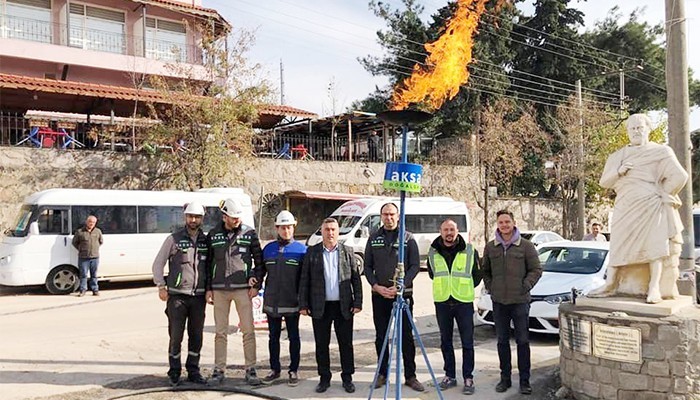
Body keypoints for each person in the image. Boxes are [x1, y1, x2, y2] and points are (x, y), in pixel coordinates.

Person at [589, 113, 688, 304]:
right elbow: (604, 182)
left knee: (655, 247)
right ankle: (611, 283)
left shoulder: (661, 152)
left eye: (639, 127)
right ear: (627, 132)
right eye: (632, 128)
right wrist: (619, 171)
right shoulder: (617, 156)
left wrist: (662, 192)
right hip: (625, 206)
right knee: (618, 244)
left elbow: (680, 176)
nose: (636, 131)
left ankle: (654, 288)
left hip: (651, 204)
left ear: (648, 129)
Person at [364, 202, 424, 392]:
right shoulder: (373, 238)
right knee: (381, 336)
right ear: (381, 216)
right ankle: (382, 374)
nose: (388, 218)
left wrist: (401, 285)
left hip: (403, 296)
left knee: (406, 336)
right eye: (385, 214)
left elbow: (415, 266)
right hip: (380, 295)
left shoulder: (408, 238)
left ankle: (410, 376)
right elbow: (366, 267)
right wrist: (376, 286)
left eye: (392, 214)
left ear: (398, 216)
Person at [482, 210, 542, 395]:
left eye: (507, 221)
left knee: (522, 341)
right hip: (499, 302)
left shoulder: (525, 246)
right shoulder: (491, 247)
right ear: (497, 225)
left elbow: (536, 269)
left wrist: (525, 286)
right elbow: (485, 271)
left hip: (520, 301)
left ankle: (524, 381)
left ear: (513, 223)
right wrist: (491, 287)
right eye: (501, 222)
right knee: (502, 342)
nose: (504, 225)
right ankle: (505, 378)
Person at [299, 218, 362, 394]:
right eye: (327, 229)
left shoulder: (347, 252)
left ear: (338, 231)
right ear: (322, 231)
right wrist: (303, 304)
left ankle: (347, 378)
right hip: (320, 306)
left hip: (343, 306)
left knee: (346, 344)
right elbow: (304, 280)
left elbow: (356, 280)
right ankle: (324, 378)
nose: (330, 233)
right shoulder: (312, 252)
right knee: (321, 344)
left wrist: (358, 302)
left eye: (333, 229)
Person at [206, 198, 263, 386]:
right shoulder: (213, 234)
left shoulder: (249, 233)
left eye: (238, 217)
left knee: (248, 330)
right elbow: (207, 264)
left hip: (242, 290)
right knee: (220, 332)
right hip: (220, 290)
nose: (237, 220)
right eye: (233, 217)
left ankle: (251, 369)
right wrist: (208, 289)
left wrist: (256, 282)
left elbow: (259, 261)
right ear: (224, 217)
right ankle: (218, 369)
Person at [152, 202, 209, 387]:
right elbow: (157, 264)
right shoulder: (173, 239)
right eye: (190, 216)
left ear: (202, 219)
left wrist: (210, 289)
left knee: (196, 335)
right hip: (177, 297)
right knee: (176, 336)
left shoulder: (206, 241)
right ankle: (174, 372)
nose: (193, 220)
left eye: (197, 217)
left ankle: (193, 370)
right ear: (185, 217)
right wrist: (161, 285)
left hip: (199, 297)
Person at [250, 210, 307, 387]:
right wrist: (254, 278)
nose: (286, 231)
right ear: (277, 228)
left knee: (294, 337)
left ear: (293, 227)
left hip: (292, 302)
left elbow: (306, 279)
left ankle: (293, 370)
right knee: (273, 337)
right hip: (272, 302)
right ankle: (274, 369)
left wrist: (304, 302)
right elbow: (260, 270)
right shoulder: (268, 249)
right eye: (283, 228)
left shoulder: (302, 250)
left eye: (289, 227)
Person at [427, 219, 481, 395]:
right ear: (440, 231)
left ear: (457, 231)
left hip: (463, 302)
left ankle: (468, 377)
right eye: (445, 230)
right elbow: (431, 273)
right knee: (445, 341)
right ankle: (449, 375)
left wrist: (461, 288)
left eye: (452, 229)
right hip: (442, 302)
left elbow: (477, 275)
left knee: (467, 342)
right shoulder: (433, 251)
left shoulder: (470, 250)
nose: (449, 233)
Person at [72, 215, 103, 296]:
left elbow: (101, 241)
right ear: (87, 222)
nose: (91, 223)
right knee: (83, 275)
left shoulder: (98, 231)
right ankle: (82, 290)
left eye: (93, 222)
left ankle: (95, 290)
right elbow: (74, 242)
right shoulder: (80, 232)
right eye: (90, 222)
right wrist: (81, 249)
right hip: (83, 257)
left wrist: (94, 249)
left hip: (95, 257)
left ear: (95, 223)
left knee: (94, 275)